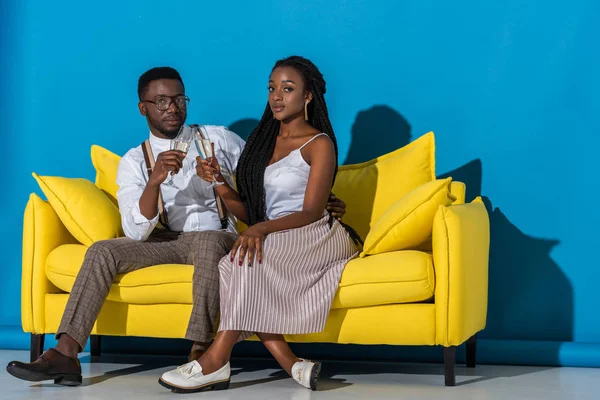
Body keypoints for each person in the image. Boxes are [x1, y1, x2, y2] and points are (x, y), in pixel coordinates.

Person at [6, 66, 347, 386]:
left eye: (179, 100)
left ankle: (202, 351)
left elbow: (267, 175)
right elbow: (137, 231)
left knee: (209, 242)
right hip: (164, 239)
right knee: (101, 251)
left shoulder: (219, 139)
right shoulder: (135, 161)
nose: (173, 108)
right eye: (162, 102)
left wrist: (321, 199)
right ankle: (66, 352)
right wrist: (154, 182)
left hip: (217, 235)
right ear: (144, 108)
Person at [158, 56, 361, 394]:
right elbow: (252, 215)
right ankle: (291, 363)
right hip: (277, 232)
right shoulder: (262, 143)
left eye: (288, 88)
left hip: (318, 234)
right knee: (232, 265)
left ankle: (214, 360)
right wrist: (219, 182)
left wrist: (261, 229)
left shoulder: (319, 143)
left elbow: (312, 211)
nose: (277, 96)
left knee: (244, 261)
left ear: (308, 96)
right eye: (272, 88)